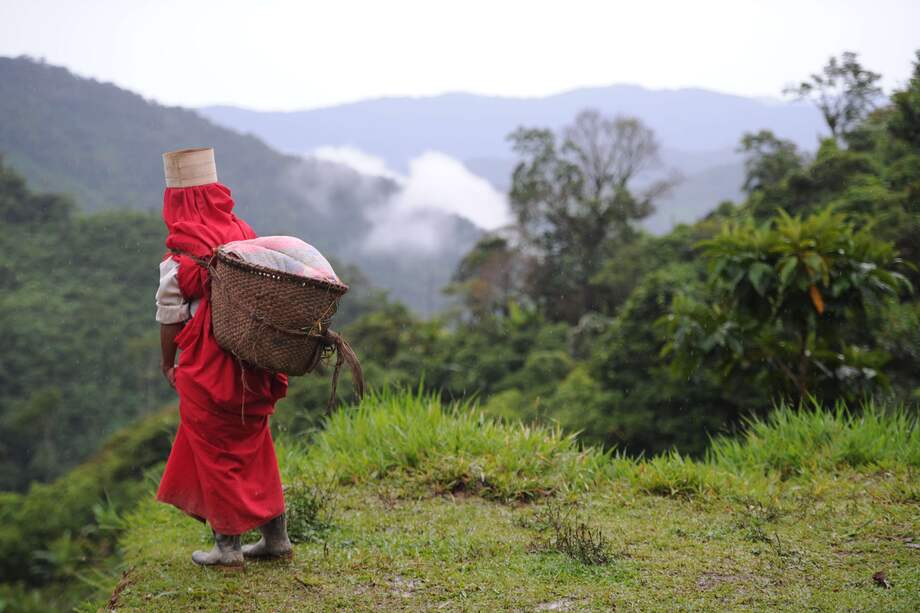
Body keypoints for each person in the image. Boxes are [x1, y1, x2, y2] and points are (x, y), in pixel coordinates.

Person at [155, 148, 293, 566]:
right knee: (255, 445)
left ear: (175, 203)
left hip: (207, 364)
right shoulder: (242, 234)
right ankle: (276, 539)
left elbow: (170, 317)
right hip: (251, 358)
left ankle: (227, 547)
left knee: (215, 447)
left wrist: (167, 362)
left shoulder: (180, 257)